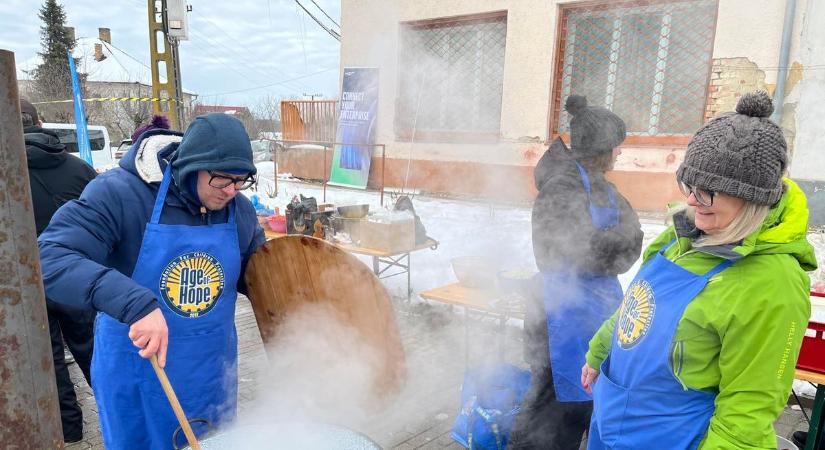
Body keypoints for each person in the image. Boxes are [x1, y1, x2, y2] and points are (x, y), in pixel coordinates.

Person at [582, 91, 816, 450]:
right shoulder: (683, 236)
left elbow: (748, 409)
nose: (691, 200)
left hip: (674, 438)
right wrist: (599, 352)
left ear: (751, 197)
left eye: (708, 191)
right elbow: (637, 306)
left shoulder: (773, 283)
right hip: (613, 421)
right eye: (690, 184)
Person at [38, 113, 266, 449]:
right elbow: (49, 257)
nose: (231, 190)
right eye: (221, 179)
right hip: (140, 374)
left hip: (211, 376)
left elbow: (259, 276)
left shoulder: (239, 210)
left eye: (241, 180)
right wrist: (134, 303)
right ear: (192, 165)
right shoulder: (120, 194)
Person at [509, 95, 643, 450]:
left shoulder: (605, 188)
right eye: (616, 148)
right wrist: (610, 246)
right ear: (603, 148)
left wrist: (605, 246)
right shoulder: (560, 186)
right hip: (557, 318)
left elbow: (633, 245)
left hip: (597, 314)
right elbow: (565, 252)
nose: (618, 155)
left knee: (586, 404)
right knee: (548, 420)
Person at [20, 98, 98, 444]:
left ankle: (70, 431)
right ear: (40, 123)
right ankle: (118, 410)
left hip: (25, 286)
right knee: (93, 350)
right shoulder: (79, 169)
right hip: (76, 276)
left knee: (49, 360)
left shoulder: (8, 170)